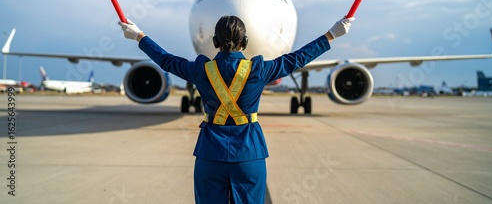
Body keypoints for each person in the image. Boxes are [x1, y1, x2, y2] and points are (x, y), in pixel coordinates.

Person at [119, 15, 353, 204]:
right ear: (245, 42)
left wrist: (139, 36)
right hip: (249, 154)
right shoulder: (259, 70)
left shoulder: (201, 70)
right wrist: (331, 35)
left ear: (215, 42)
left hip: (209, 154)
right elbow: (297, 59)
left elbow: (166, 60)